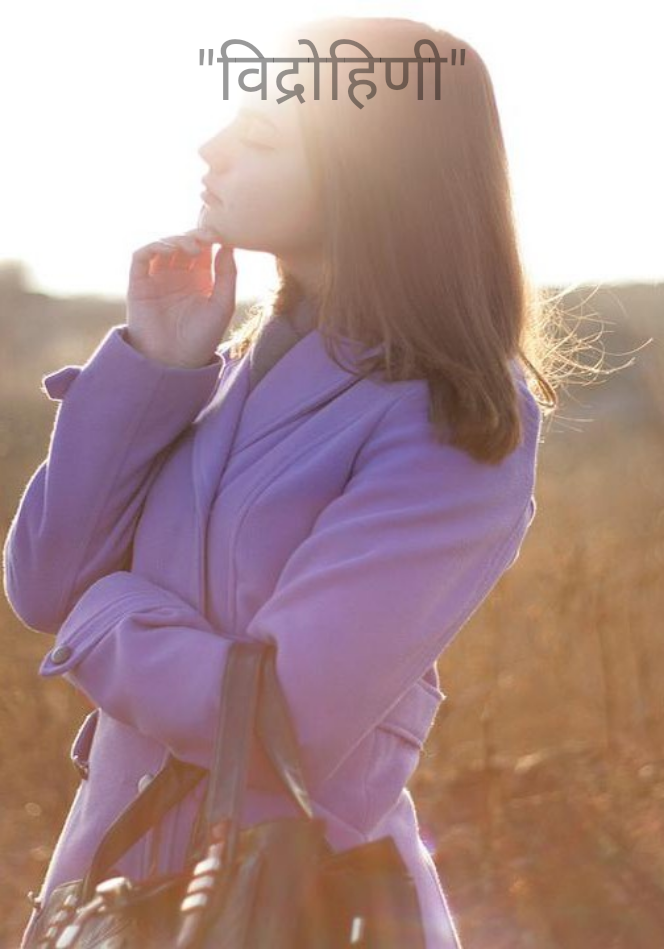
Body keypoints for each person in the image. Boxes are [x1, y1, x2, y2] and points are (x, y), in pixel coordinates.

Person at [5, 16, 553, 949]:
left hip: (298, 907)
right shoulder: (219, 371)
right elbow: (41, 582)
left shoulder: (453, 414)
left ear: (369, 171)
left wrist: (102, 615)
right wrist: (155, 362)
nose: (211, 146)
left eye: (260, 135)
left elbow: (277, 721)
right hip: (109, 896)